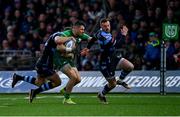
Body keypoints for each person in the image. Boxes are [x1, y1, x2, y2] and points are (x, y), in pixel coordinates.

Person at [11, 30, 75, 103]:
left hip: (42, 63)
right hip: (45, 65)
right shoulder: (58, 36)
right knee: (57, 82)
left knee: (38, 83)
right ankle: (35, 91)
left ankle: (19, 77)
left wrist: (69, 53)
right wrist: (70, 39)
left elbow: (62, 53)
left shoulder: (57, 42)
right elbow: (58, 41)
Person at [81, 18, 134, 104]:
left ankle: (120, 80)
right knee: (112, 84)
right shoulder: (104, 36)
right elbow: (119, 44)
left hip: (113, 57)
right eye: (105, 26)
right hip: (105, 62)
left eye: (108, 25)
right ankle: (101, 94)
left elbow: (93, 39)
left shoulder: (99, 32)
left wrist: (88, 47)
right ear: (101, 26)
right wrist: (124, 34)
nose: (107, 27)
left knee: (130, 67)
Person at [53, 21, 93, 104]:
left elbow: (91, 39)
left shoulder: (81, 35)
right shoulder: (66, 33)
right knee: (73, 77)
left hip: (70, 59)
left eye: (83, 30)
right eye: (81, 29)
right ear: (75, 28)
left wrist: (88, 48)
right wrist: (70, 51)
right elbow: (58, 46)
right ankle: (66, 99)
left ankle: (65, 90)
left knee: (78, 80)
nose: (83, 31)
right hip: (60, 58)